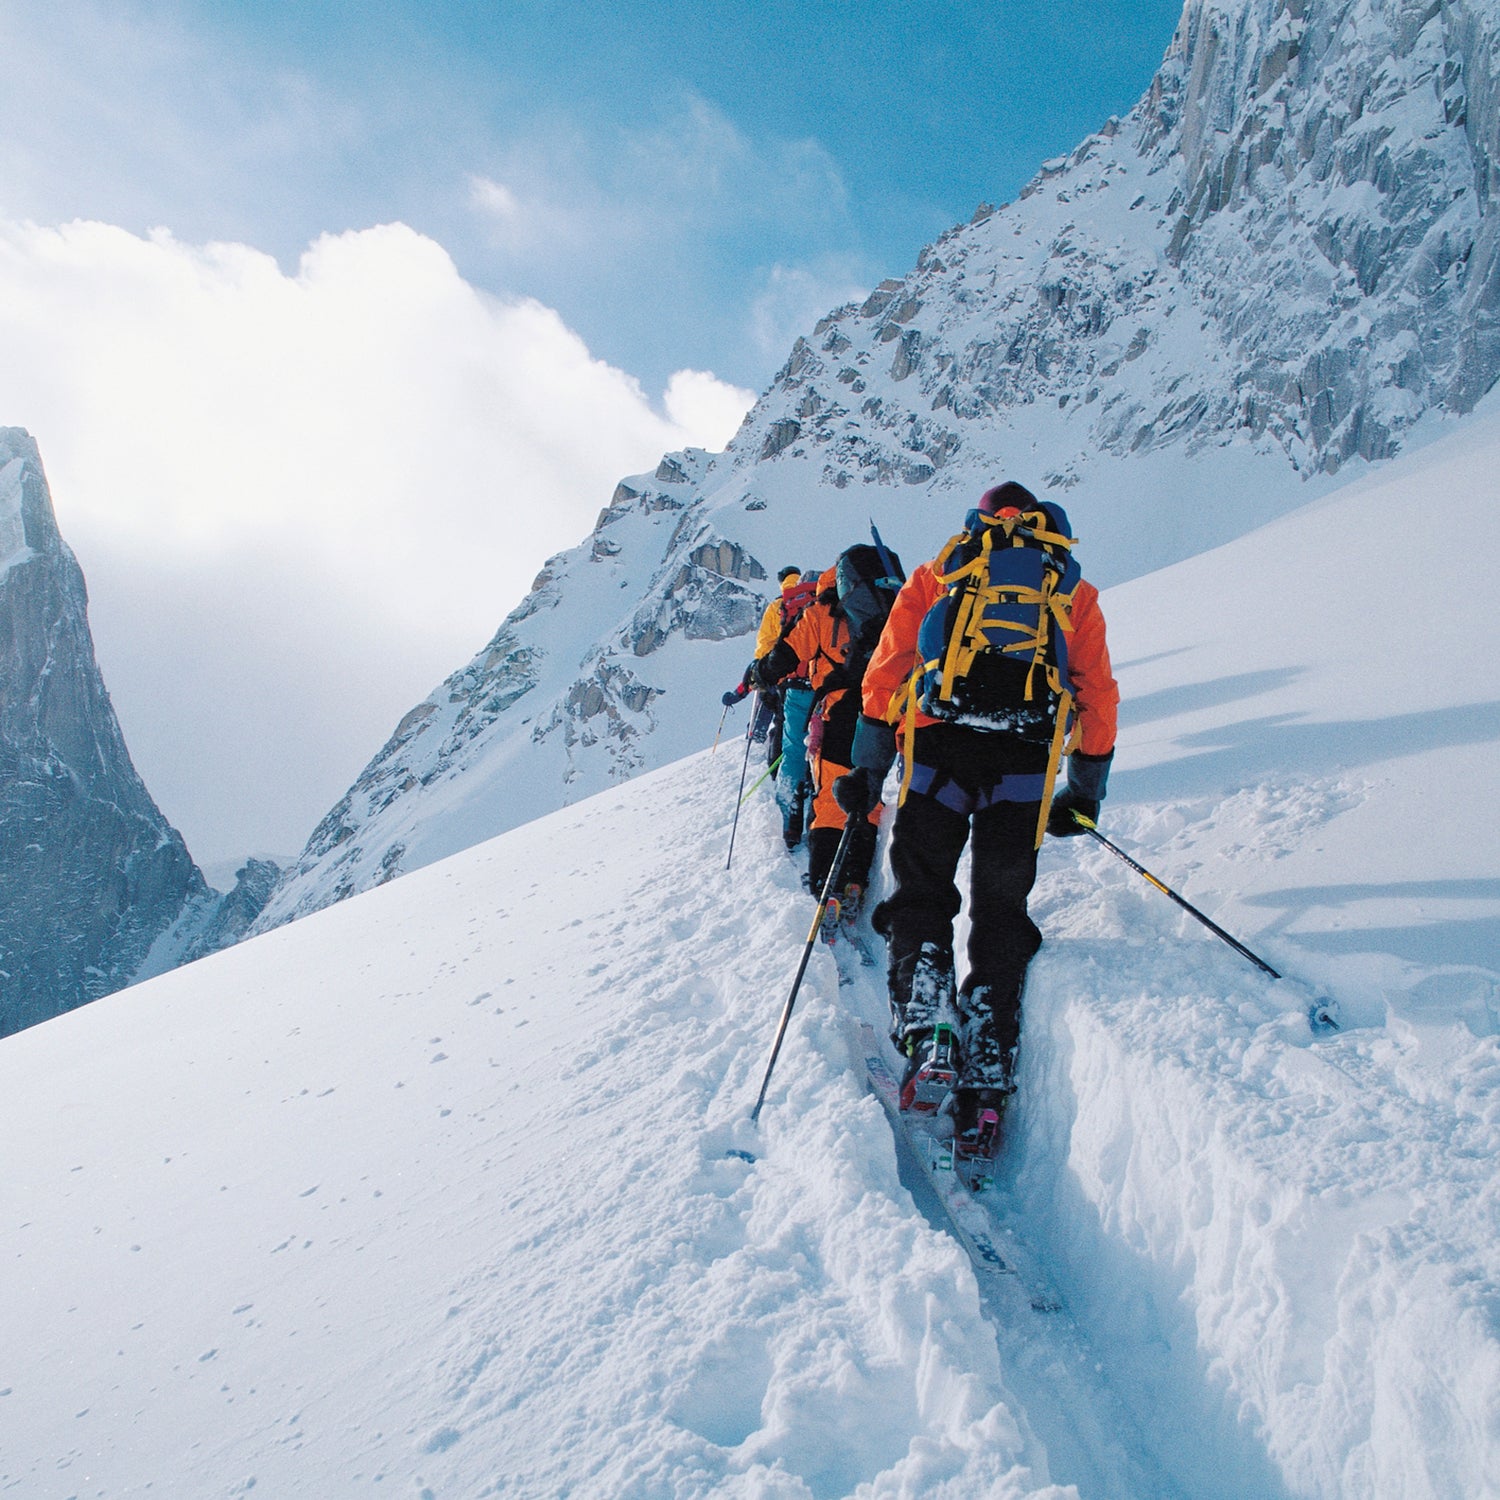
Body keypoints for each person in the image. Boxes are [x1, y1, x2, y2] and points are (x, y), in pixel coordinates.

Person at [834, 482, 1118, 1151]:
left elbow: (885, 671)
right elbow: (1097, 693)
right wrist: (1085, 792)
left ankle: (929, 1025)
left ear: (980, 518)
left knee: (921, 892)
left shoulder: (941, 571)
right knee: (1000, 909)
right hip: (1023, 762)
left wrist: (867, 772)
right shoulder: (1071, 590)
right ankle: (987, 1064)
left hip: (936, 754)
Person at [756, 544, 901, 911]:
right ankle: (855, 879)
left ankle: (824, 885)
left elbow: (785, 656)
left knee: (830, 802)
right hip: (881, 714)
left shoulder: (819, 613)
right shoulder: (891, 608)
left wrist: (759, 673)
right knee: (866, 800)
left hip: (838, 713)